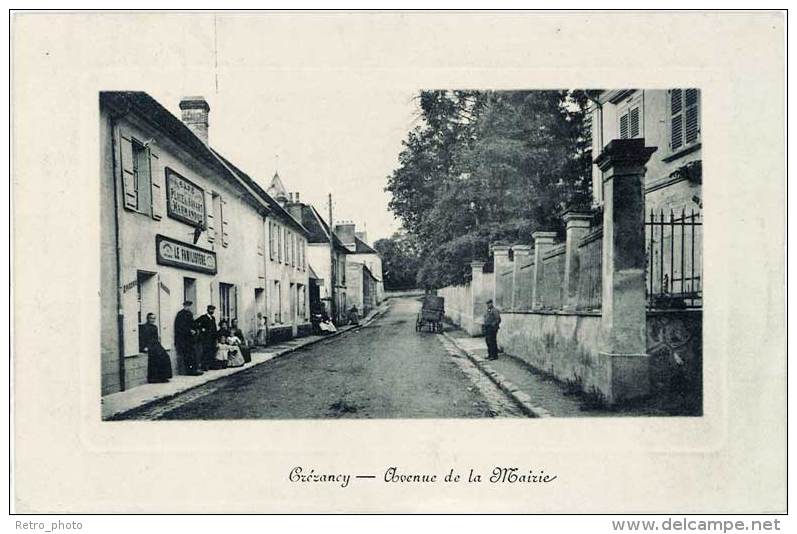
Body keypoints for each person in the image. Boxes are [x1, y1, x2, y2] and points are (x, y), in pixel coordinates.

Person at [138, 312, 173, 383]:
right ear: (147, 318)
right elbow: (141, 339)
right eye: (151, 318)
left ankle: (163, 376)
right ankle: (154, 378)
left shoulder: (155, 327)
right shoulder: (143, 327)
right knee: (156, 357)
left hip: (155, 344)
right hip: (148, 345)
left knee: (165, 356)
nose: (152, 320)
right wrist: (144, 347)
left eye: (154, 318)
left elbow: (156, 338)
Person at [174, 301, 202, 376]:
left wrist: (195, 330)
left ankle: (194, 369)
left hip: (190, 338)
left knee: (192, 354)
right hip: (183, 339)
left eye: (189, 306)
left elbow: (192, 323)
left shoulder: (189, 314)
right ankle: (189, 371)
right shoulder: (180, 314)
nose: (188, 307)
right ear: (184, 306)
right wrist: (189, 330)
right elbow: (180, 326)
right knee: (187, 355)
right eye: (186, 305)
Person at [194, 305, 218, 371]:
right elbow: (195, 322)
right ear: (207, 310)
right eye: (210, 309)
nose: (212, 311)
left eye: (213, 310)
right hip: (206, 338)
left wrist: (216, 337)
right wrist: (201, 329)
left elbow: (214, 328)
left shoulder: (213, 318)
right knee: (205, 351)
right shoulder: (203, 317)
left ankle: (210, 365)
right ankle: (204, 366)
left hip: (212, 338)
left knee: (211, 351)